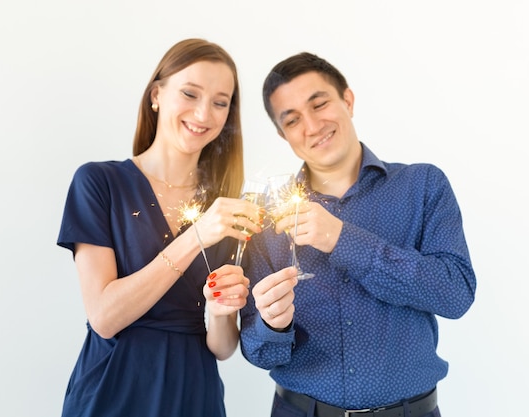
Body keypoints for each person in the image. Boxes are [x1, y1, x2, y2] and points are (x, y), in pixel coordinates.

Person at [240, 52, 477, 417]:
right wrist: (273, 324)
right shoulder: (268, 214)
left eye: (319, 105)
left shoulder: (423, 185)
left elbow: (455, 295)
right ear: (282, 133)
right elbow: (260, 352)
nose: (312, 125)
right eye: (293, 120)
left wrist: (342, 239)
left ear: (347, 100)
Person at [57, 38, 263, 417]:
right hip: (112, 390)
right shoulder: (99, 183)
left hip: (193, 391)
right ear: (156, 94)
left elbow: (222, 347)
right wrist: (196, 236)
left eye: (220, 102)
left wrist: (219, 311)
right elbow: (104, 317)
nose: (204, 113)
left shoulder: (227, 207)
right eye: (190, 93)